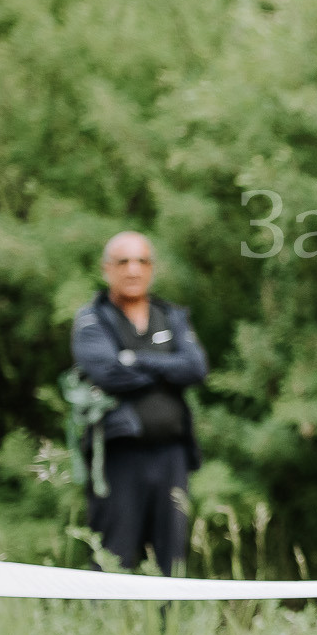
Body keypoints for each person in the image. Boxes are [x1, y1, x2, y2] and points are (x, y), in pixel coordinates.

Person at [71, 231, 208, 574]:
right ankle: (103, 626)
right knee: (111, 556)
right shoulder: (92, 319)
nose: (133, 270)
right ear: (107, 269)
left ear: (151, 268)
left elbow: (195, 368)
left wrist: (134, 358)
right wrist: (166, 367)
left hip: (173, 455)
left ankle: (168, 627)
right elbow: (108, 373)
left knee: (172, 559)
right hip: (119, 456)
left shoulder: (171, 316)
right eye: (123, 261)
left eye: (142, 261)